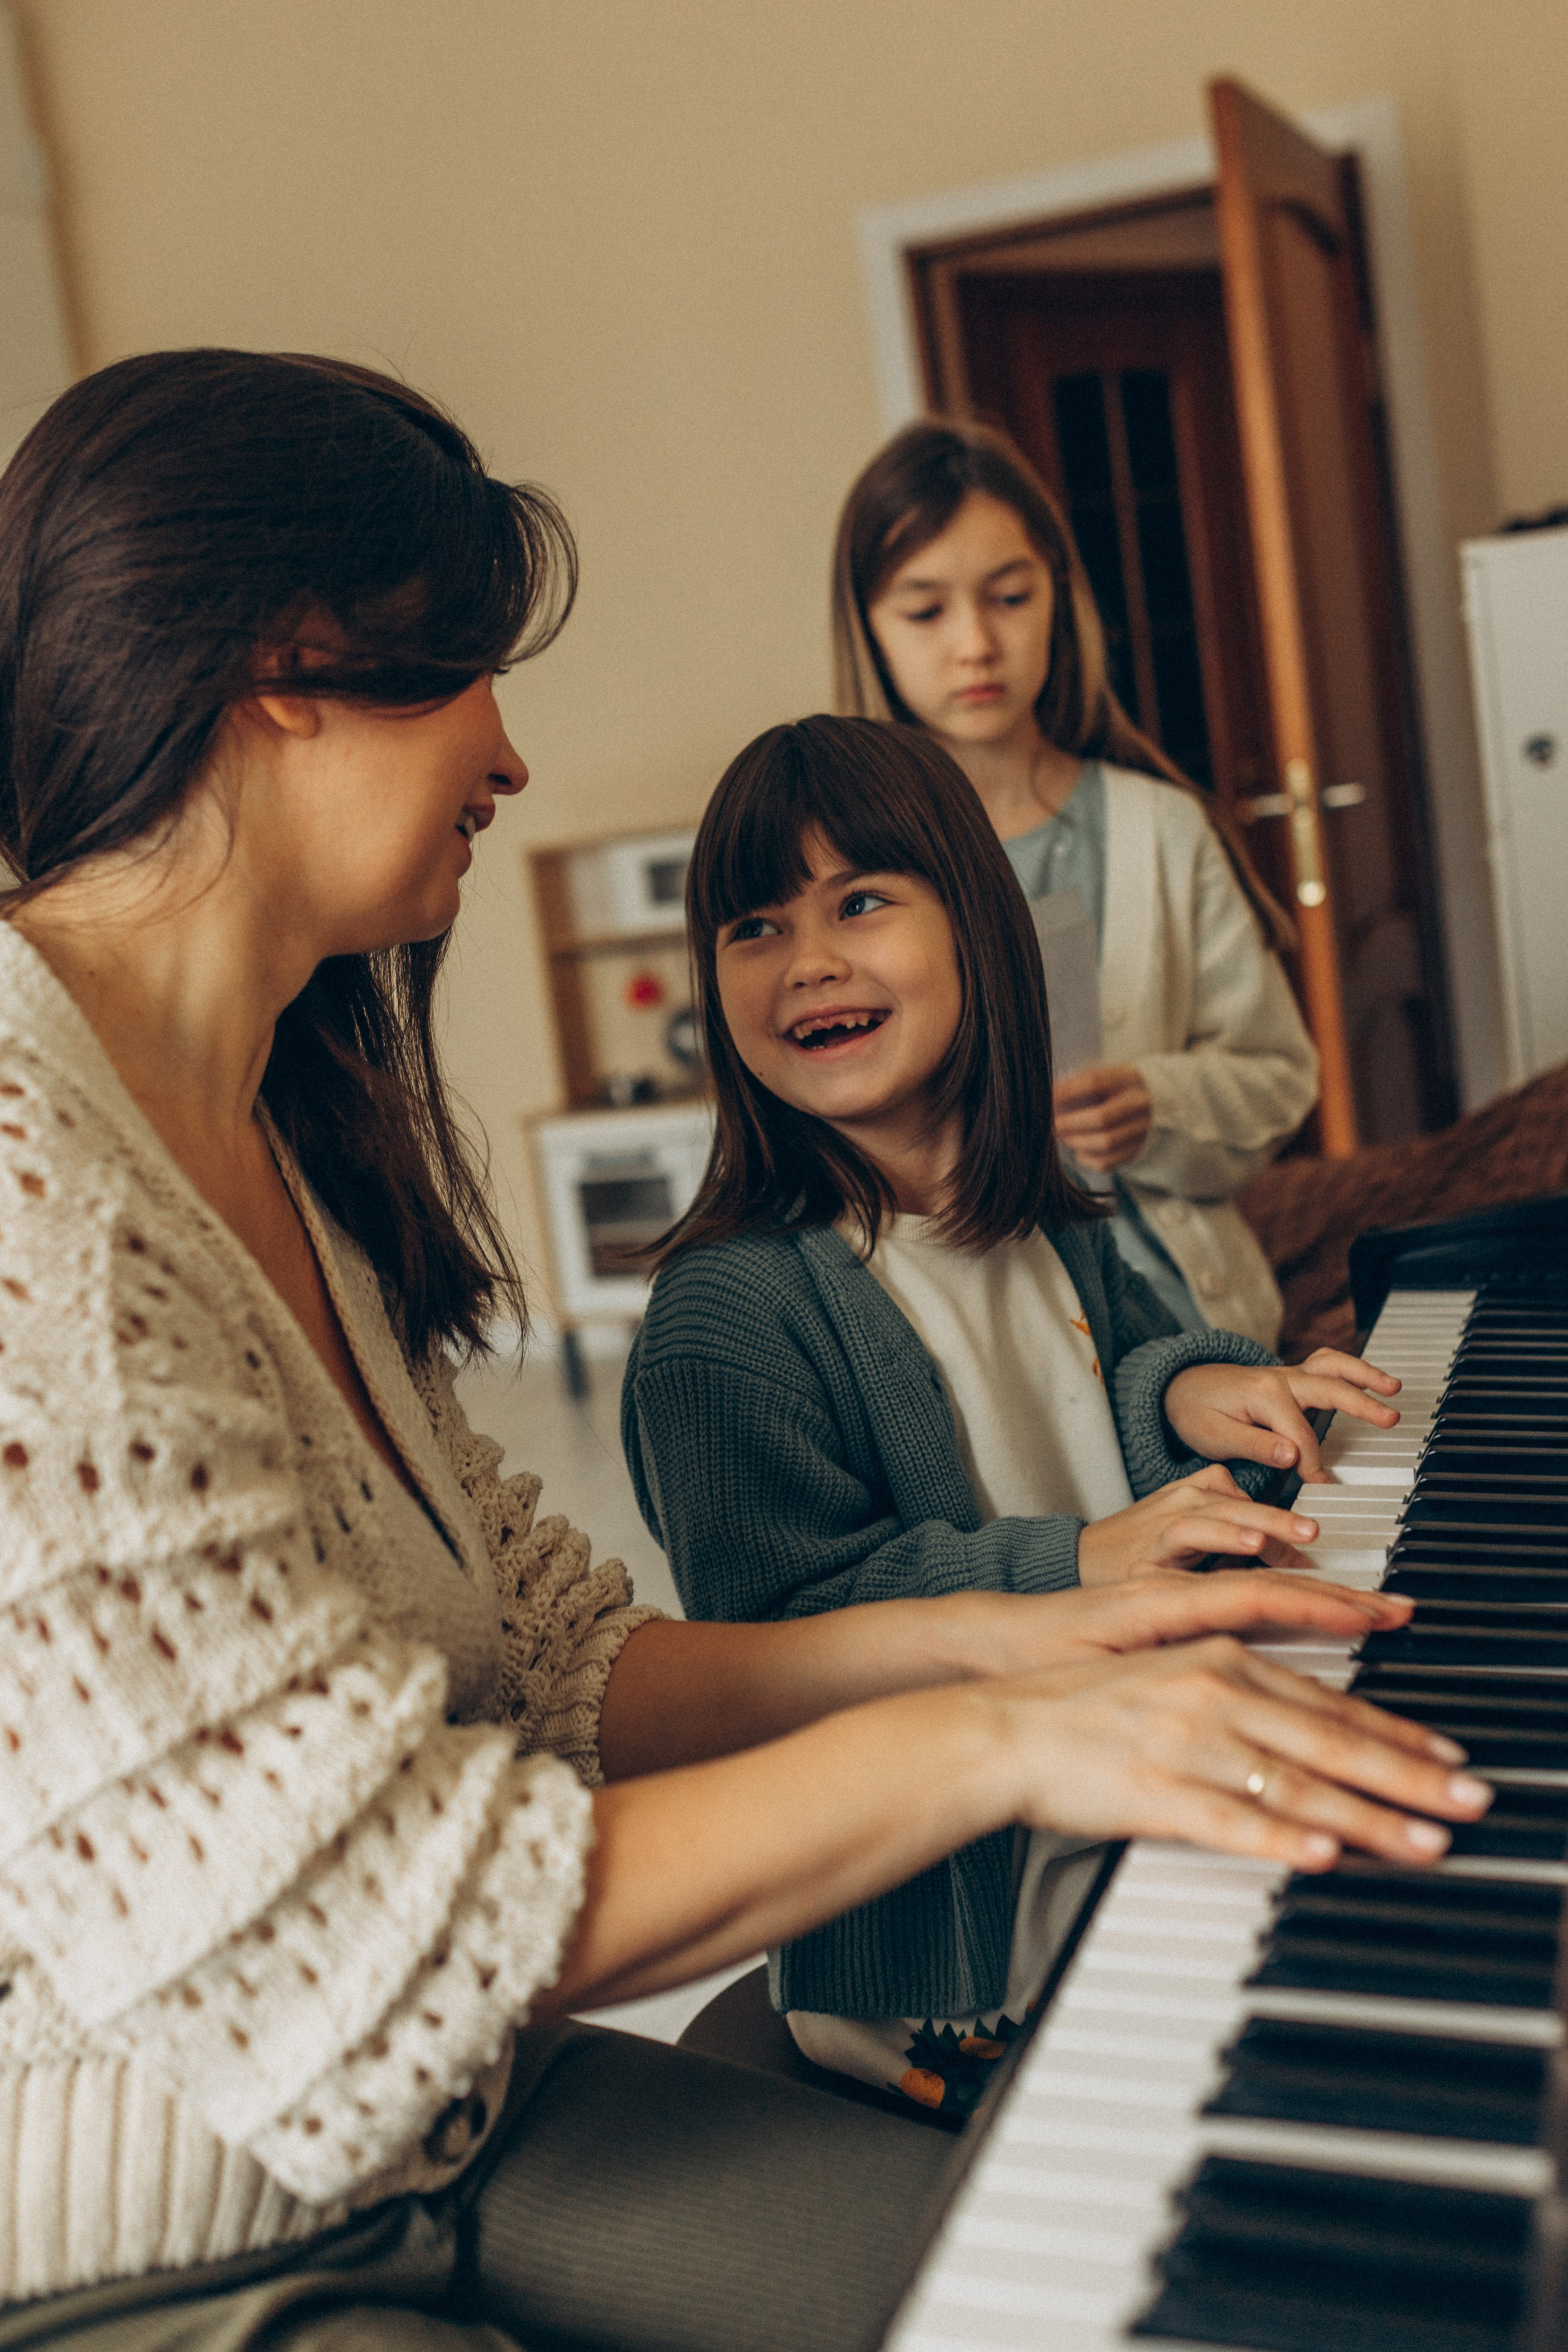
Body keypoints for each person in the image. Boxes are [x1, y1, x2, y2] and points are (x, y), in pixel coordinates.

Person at [0, 352, 1487, 2352]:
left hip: (465, 2108)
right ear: (289, 664)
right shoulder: (36, 1188)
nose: (511, 760)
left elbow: (570, 1664)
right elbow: (369, 1933)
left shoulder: (284, 1121)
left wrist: (1035, 1639)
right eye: (468, 678)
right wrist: (1002, 1737)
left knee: (1149, 2301)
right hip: (163, 2214)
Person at [621, 713, 1409, 2116]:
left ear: (976, 928)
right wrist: (1075, 1563)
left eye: (859, 900)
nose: (806, 959)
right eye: (753, 925)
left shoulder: (1044, 1207)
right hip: (947, 1939)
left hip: (1107, 1769)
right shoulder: (729, 1313)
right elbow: (776, 1639)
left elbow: (1122, 1371)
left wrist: (1196, 1382)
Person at [831, 417, 1317, 1346]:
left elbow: (1278, 1079)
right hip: (963, 1336)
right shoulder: (838, 865)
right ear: (869, 626)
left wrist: (1158, 1103)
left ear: (1059, 596)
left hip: (1176, 1323)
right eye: (926, 611)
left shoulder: (1161, 832)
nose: (975, 643)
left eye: (1008, 596)